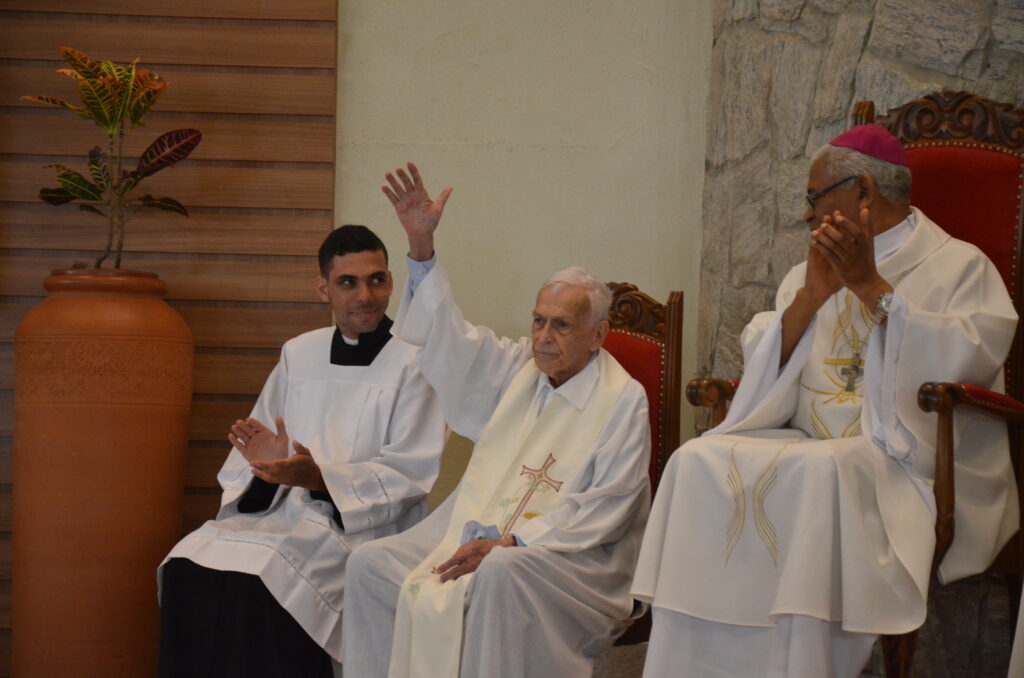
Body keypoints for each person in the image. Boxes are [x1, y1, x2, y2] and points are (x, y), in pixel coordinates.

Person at [631, 125, 1019, 678]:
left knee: (822, 472)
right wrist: (812, 298)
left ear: (862, 191)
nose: (809, 217)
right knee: (694, 459)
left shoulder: (959, 268)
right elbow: (767, 364)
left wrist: (870, 289)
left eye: (815, 199)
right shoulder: (809, 268)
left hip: (903, 456)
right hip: (813, 441)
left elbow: (968, 357)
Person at [340, 163, 651, 678]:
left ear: (598, 336)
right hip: (479, 534)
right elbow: (448, 339)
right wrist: (420, 248)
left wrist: (514, 542)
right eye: (538, 320)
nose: (543, 336)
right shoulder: (517, 371)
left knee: (500, 573)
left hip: (575, 560)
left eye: (562, 325)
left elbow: (608, 507)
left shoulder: (623, 400)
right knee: (368, 566)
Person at [157, 225, 447, 678]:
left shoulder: (415, 360)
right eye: (347, 282)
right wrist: (264, 469)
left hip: (361, 527)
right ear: (323, 288)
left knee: (263, 579)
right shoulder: (299, 353)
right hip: (278, 514)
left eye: (376, 280)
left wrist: (318, 479)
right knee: (186, 566)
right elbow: (252, 457)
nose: (364, 295)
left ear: (390, 282)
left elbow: (411, 471)